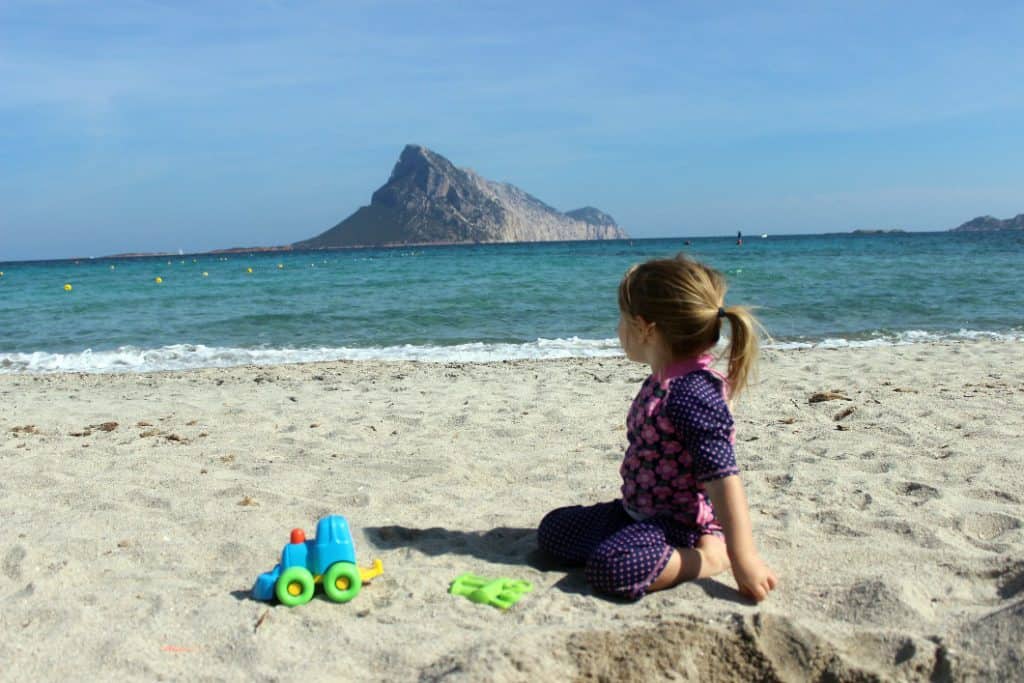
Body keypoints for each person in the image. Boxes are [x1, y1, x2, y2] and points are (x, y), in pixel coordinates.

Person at [537, 254, 778, 602]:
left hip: (679, 525)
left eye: (621, 320)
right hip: (635, 512)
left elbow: (724, 477)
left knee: (611, 569)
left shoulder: (691, 394)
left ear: (645, 327)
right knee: (554, 531)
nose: (617, 330)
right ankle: (649, 549)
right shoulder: (664, 379)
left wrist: (745, 558)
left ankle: (711, 556)